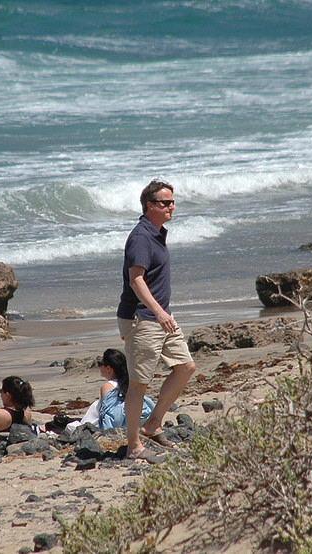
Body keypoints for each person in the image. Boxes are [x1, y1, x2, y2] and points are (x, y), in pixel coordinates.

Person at [117, 178, 196, 462]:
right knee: (139, 383)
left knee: (185, 367)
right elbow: (136, 280)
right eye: (165, 203)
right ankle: (134, 445)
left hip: (161, 316)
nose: (172, 207)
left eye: (173, 202)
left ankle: (153, 424)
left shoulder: (157, 233)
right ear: (150, 206)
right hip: (142, 318)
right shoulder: (140, 237)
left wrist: (165, 312)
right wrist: (159, 312)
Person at [65, 348, 155, 432]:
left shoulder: (108, 386)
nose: (99, 367)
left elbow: (111, 414)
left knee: (70, 427)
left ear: (108, 368)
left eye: (100, 364)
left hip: (106, 425)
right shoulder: (131, 384)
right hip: (136, 420)